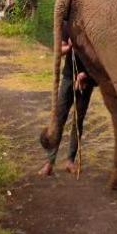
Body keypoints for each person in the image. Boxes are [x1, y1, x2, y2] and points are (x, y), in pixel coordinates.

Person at [38, 37, 93, 176]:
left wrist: (85, 74)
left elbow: (99, 57)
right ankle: (50, 162)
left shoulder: (94, 26)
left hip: (87, 80)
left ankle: (70, 161)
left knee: (78, 120)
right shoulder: (67, 25)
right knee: (59, 118)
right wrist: (69, 48)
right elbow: (59, 50)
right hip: (68, 77)